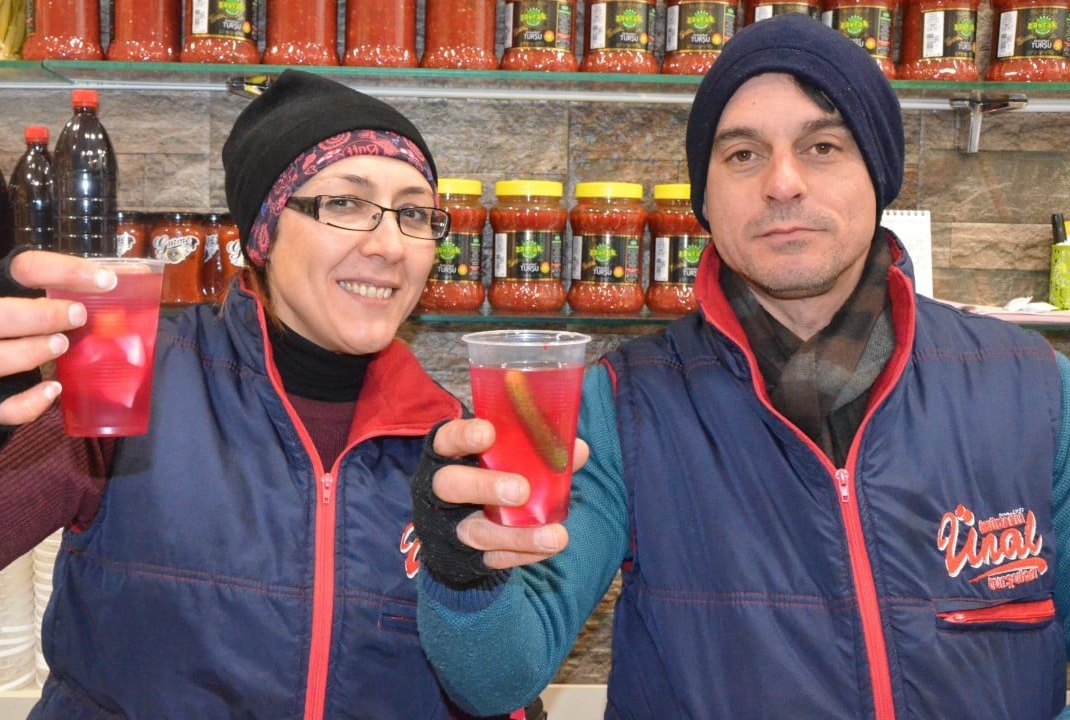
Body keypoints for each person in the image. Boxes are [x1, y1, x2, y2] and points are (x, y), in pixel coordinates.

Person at [0, 70, 536, 719]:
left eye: (415, 213)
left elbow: (497, 691)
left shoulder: (452, 441)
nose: (389, 244)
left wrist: (472, 592)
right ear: (262, 235)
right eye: (346, 203)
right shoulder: (130, 376)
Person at [411, 14, 1070, 719]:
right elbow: (496, 678)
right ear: (706, 198)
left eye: (822, 146)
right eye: (743, 155)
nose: (782, 183)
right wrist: (463, 570)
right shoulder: (621, 403)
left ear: (878, 174)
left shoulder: (1034, 387)